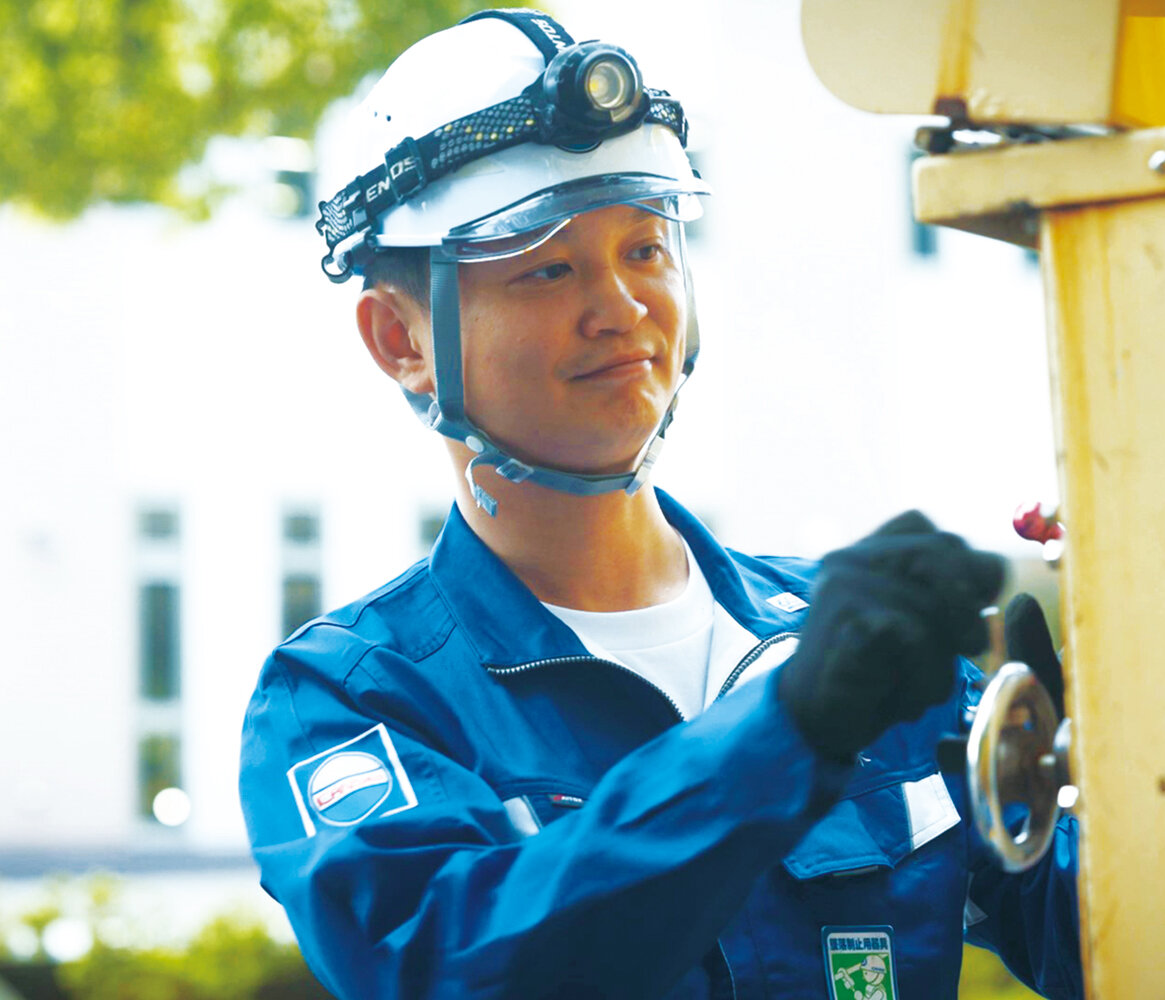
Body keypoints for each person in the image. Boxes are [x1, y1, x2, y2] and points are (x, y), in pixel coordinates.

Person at [237, 9, 1083, 999]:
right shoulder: (351, 699)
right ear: (400, 339)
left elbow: (1124, 947)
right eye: (548, 266)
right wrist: (783, 736)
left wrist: (1125, 760)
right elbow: (450, 965)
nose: (621, 307)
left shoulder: (851, 647)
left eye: (644, 249)